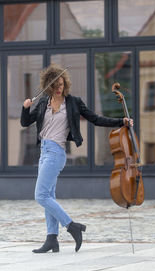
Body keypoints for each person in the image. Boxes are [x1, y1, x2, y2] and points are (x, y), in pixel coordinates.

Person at [20, 63, 133, 253]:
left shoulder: (73, 102)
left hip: (56, 153)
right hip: (44, 153)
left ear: (66, 85)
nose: (59, 89)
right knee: (49, 196)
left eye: (62, 85)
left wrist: (121, 121)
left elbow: (96, 119)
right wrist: (25, 108)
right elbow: (25, 122)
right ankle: (51, 239)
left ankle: (72, 226)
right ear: (48, 85)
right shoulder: (42, 103)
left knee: (40, 195)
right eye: (56, 85)